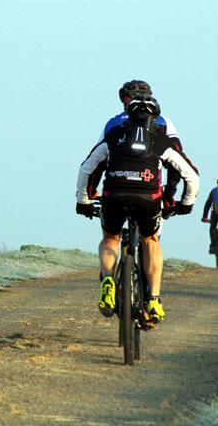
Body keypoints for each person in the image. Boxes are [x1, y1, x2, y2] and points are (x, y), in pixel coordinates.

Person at [76, 94, 200, 323]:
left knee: (110, 238)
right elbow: (190, 175)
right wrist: (186, 203)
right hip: (149, 197)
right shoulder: (162, 140)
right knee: (150, 240)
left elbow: (87, 168)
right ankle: (152, 299)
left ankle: (107, 282)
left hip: (114, 194)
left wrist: (82, 200)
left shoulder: (114, 135)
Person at [96, 80, 183, 209]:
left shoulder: (113, 122)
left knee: (110, 223)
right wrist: (170, 193)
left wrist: (88, 193)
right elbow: (178, 154)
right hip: (151, 183)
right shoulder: (164, 121)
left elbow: (97, 159)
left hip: (117, 183)